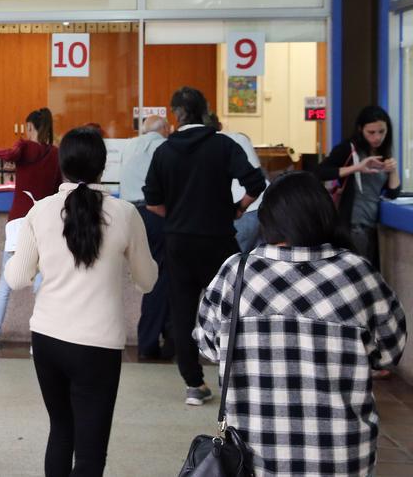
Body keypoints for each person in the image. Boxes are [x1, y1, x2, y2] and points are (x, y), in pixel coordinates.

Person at [195, 171, 406, 477]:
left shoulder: (236, 273)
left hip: (253, 455)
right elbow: (389, 351)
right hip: (341, 456)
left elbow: (208, 345)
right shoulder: (356, 273)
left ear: (268, 219)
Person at [5, 127, 157, 477]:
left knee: (61, 431)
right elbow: (147, 281)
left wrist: (29, 254)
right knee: (90, 454)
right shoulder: (125, 214)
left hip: (47, 339)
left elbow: (16, 278)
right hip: (98, 345)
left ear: (62, 166)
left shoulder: (40, 212)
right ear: (103, 168)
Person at [143, 86, 266, 405]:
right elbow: (257, 183)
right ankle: (232, 379)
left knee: (182, 311)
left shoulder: (164, 151)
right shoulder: (223, 145)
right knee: (229, 309)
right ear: (205, 110)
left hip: (179, 242)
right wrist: (237, 208)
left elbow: (153, 202)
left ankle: (194, 384)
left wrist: (179, 215)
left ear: (175, 115)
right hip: (218, 241)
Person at [0, 107, 61, 350]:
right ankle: (36, 341)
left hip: (18, 223)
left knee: (5, 283)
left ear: (29, 127)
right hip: (44, 224)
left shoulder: (25, 147)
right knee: (40, 284)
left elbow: (7, 153)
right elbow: (59, 188)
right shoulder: (57, 154)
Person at [315, 105, 401, 268]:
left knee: (367, 272)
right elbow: (320, 172)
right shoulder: (349, 149)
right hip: (352, 224)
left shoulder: (383, 153)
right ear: (361, 129)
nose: (377, 137)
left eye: (382, 132)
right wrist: (357, 168)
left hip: (372, 225)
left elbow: (393, 193)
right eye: (371, 132)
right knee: (357, 272)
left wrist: (393, 170)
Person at [119, 114, 172, 360]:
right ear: (165, 129)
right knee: (159, 279)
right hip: (154, 214)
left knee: (153, 275)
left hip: (129, 214)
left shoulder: (130, 145)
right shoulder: (164, 146)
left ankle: (166, 334)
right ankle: (149, 342)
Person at [208, 113, 268, 255]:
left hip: (238, 208)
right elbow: (257, 173)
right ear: (220, 125)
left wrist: (240, 208)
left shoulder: (205, 147)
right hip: (262, 205)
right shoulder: (239, 138)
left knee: (234, 260)